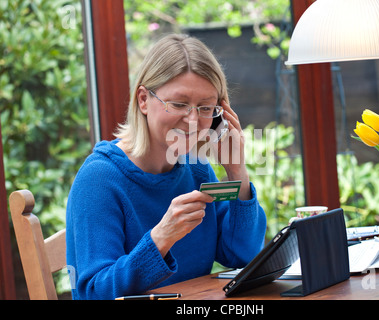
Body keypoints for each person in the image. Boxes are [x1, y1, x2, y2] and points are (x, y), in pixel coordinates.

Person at [66, 34, 267, 300]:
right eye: (179, 104)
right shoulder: (100, 179)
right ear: (143, 100)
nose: (193, 120)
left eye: (206, 108)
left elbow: (242, 256)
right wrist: (160, 239)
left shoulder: (196, 168)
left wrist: (237, 173)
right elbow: (93, 293)